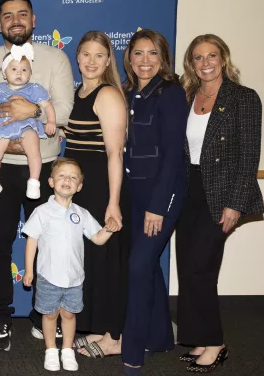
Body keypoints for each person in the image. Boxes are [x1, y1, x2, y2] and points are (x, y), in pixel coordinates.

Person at [0, 0, 74, 351]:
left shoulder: (55, 58)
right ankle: (0, 315)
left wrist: (30, 113)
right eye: (8, 15)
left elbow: (63, 111)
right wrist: (9, 143)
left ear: (34, 21)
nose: (16, 20)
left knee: (48, 245)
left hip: (44, 169)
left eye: (23, 14)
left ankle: (42, 313)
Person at [176, 34, 264, 373]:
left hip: (222, 195)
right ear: (191, 64)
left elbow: (249, 156)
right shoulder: (187, 97)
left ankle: (215, 342)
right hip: (187, 193)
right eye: (198, 57)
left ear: (223, 59)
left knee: (199, 266)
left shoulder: (243, 98)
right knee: (192, 268)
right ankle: (199, 336)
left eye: (212, 55)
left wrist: (236, 203)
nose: (206, 62)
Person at [120, 29, 188, 376]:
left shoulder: (171, 93)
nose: (145, 61)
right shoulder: (129, 92)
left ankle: (131, 351)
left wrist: (158, 206)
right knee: (146, 266)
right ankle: (161, 336)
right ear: (129, 58)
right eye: (138, 54)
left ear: (163, 59)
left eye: (152, 54)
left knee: (138, 266)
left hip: (163, 193)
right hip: (134, 192)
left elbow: (173, 155)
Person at [62, 31, 130, 358]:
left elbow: (115, 153)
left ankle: (113, 337)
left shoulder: (108, 95)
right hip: (79, 190)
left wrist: (113, 203)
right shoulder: (76, 92)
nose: (91, 61)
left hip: (102, 189)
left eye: (99, 55)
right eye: (85, 54)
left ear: (108, 60)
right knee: (87, 261)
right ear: (77, 57)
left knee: (105, 262)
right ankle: (99, 329)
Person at [22, 158, 119, 372]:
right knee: (49, 315)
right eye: (62, 176)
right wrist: (29, 270)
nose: (67, 180)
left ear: (79, 186)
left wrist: (110, 228)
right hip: (48, 276)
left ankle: (67, 350)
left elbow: (98, 238)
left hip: (74, 278)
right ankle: (50, 350)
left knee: (69, 315)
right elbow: (32, 241)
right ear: (50, 181)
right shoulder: (42, 212)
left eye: (73, 177)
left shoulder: (82, 213)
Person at [0, 42, 56, 203]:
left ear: (30, 73)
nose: (19, 73)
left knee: (33, 149)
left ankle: (34, 182)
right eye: (14, 69)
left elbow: (48, 105)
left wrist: (51, 121)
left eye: (24, 70)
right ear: (4, 72)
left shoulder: (34, 89)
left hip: (27, 127)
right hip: (3, 128)